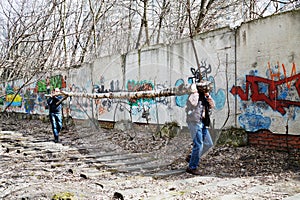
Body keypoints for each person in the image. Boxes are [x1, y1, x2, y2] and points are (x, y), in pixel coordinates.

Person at [185, 83, 215, 175]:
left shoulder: (205, 97)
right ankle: (192, 167)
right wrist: (195, 92)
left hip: (203, 122)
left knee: (208, 143)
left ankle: (192, 157)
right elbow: (194, 103)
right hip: (194, 121)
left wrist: (208, 96)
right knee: (198, 144)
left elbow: (212, 105)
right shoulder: (193, 96)